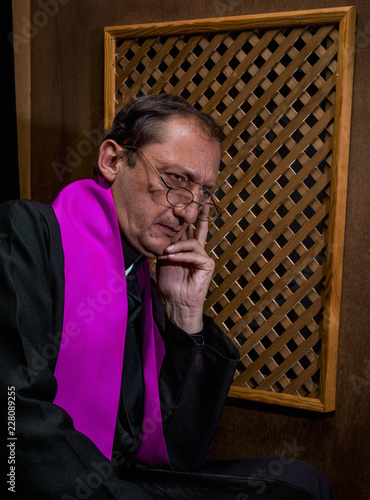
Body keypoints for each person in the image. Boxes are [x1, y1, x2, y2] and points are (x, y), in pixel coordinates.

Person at [0, 93, 338, 499]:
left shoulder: (141, 274)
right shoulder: (26, 233)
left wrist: (183, 314)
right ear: (112, 160)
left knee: (300, 485)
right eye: (176, 180)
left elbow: (180, 450)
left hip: (124, 475)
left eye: (203, 192)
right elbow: (14, 414)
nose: (189, 213)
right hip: (53, 483)